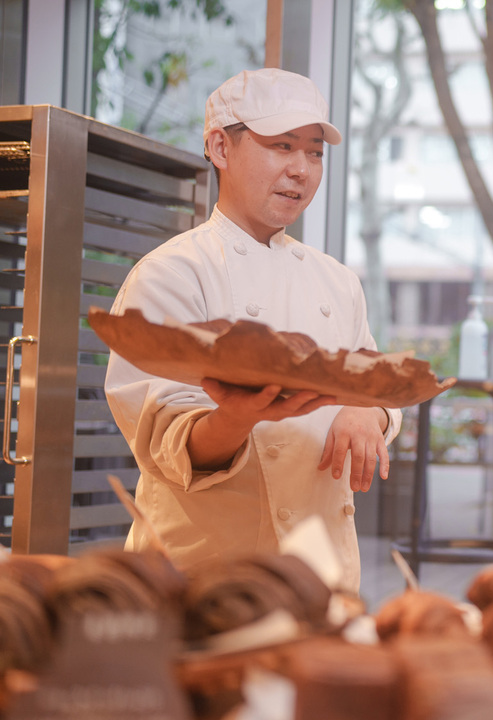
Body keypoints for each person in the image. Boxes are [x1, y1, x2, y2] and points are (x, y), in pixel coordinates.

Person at [105, 68, 401, 593]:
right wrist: (236, 418)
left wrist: (367, 410)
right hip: (207, 577)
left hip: (322, 571)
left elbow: (378, 385)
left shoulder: (337, 280)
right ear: (220, 147)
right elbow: (165, 440)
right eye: (281, 146)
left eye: (314, 153)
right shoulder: (173, 272)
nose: (301, 170)